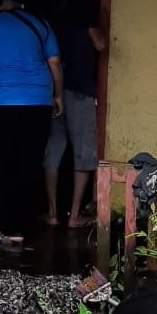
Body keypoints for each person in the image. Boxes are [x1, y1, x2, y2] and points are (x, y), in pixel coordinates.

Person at [0, 0, 62, 245]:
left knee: (1, 165)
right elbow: (54, 61)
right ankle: (21, 226)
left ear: (3, 1)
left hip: (4, 103)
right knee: (29, 163)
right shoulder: (41, 23)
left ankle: (7, 228)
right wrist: (58, 95)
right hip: (40, 101)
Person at [43, 13, 107, 228]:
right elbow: (101, 45)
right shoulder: (85, 23)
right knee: (84, 153)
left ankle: (52, 214)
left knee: (53, 151)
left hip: (55, 92)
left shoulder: (52, 25)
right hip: (80, 93)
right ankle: (75, 216)